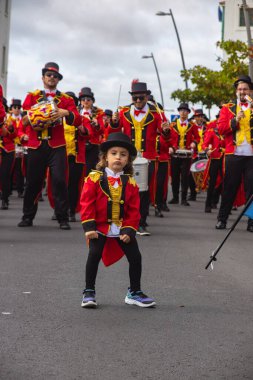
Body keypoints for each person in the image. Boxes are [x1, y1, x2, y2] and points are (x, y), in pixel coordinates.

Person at [79, 132, 156, 308]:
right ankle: (89, 291)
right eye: (114, 153)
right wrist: (89, 227)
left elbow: (134, 209)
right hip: (99, 228)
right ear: (105, 157)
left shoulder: (130, 182)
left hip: (121, 227)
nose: (118, 157)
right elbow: (86, 203)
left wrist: (129, 229)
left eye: (123, 154)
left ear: (128, 160)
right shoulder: (94, 178)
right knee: (94, 255)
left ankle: (134, 292)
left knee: (135, 258)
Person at [17, 62, 82, 229]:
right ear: (43, 77)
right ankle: (27, 217)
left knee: (60, 180)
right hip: (36, 145)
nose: (51, 78)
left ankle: (63, 218)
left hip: (57, 145)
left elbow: (77, 118)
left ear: (58, 79)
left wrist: (65, 112)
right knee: (33, 182)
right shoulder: (32, 96)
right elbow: (23, 121)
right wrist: (33, 116)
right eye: (48, 75)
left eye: (55, 76)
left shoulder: (66, 99)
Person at [111, 81, 170, 235]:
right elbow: (113, 131)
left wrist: (166, 131)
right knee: (124, 189)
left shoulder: (156, 113)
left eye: (141, 98)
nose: (138, 101)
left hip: (147, 159)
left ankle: (141, 222)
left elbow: (166, 137)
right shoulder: (123, 112)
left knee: (143, 191)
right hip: (126, 158)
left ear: (146, 97)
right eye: (135, 98)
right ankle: (123, 220)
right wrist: (114, 122)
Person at [216, 75, 253, 232]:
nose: (242, 91)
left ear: (250, 91)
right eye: (239, 89)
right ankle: (222, 219)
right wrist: (234, 120)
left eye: (245, 89)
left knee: (252, 190)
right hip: (234, 154)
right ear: (236, 91)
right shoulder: (228, 108)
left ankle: (251, 222)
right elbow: (221, 129)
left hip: (251, 156)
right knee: (230, 187)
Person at [169, 103, 200, 206]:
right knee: (175, 177)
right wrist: (171, 147)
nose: (183, 112)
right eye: (181, 110)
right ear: (179, 112)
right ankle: (175, 197)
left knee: (185, 178)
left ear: (188, 113)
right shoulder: (172, 125)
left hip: (186, 155)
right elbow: (168, 138)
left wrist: (194, 143)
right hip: (175, 155)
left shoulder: (192, 125)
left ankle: (183, 199)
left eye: (185, 111)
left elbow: (197, 137)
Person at [78, 87, 104, 175]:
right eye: (83, 99)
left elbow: (102, 130)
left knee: (90, 170)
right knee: (78, 169)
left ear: (92, 101)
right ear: (80, 101)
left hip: (93, 146)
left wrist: (96, 125)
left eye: (88, 99)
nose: (86, 101)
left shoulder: (98, 113)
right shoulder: (76, 112)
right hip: (78, 145)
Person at [0, 99, 17, 209]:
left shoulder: (9, 119)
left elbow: (13, 135)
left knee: (5, 175)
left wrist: (10, 129)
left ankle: (5, 199)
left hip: (7, 150)